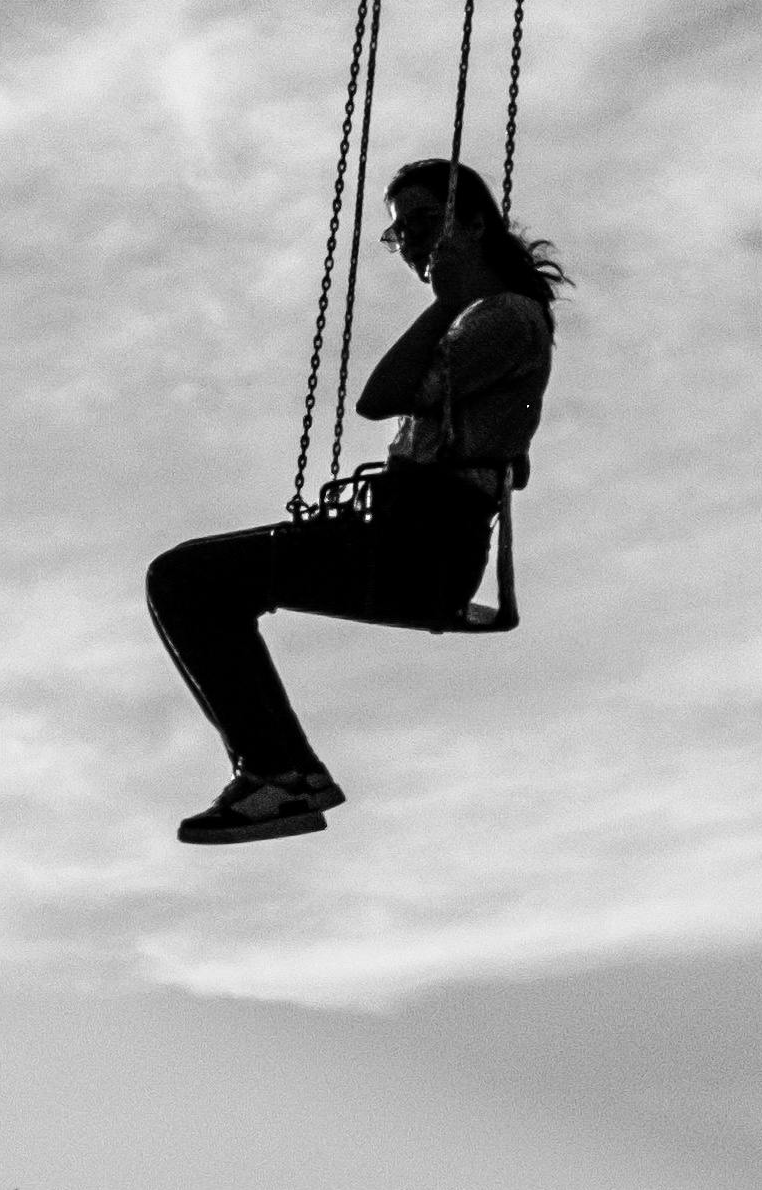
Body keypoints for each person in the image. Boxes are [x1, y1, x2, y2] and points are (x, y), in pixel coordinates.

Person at [143, 161, 562, 846]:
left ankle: (279, 772)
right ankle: (280, 770)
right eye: (402, 236)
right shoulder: (486, 320)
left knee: (187, 580)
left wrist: (443, 301)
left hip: (422, 545)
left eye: (425, 224)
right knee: (193, 580)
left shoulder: (504, 317)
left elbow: (380, 396)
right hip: (408, 534)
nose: (416, 246)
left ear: (475, 223)